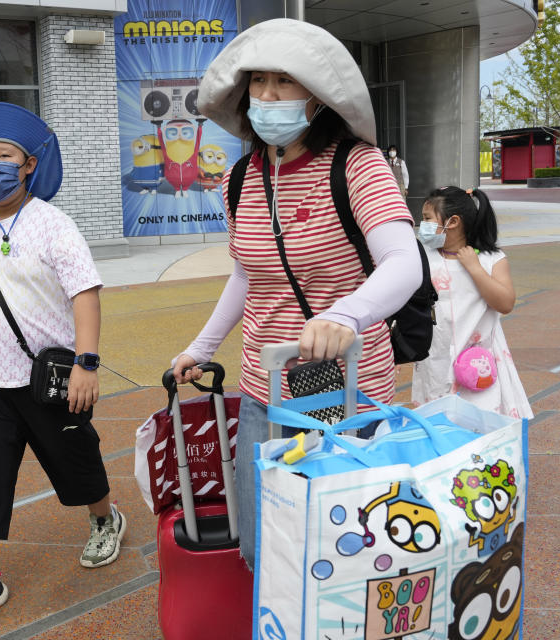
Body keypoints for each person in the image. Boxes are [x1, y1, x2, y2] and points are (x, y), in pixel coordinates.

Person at [169, 19, 422, 569]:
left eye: (284, 81)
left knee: (347, 544)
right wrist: (202, 347)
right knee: (264, 546)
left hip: (348, 389)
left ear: (319, 97)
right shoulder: (242, 177)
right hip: (266, 386)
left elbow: (405, 263)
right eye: (257, 81)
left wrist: (348, 315)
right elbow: (245, 275)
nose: (266, 95)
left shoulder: (357, 165)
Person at [0, 102, 125, 631]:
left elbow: (86, 294)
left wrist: (86, 363)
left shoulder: (53, 225)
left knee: (73, 459)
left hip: (50, 379)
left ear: (29, 164)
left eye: (4, 155)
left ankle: (105, 518)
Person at [411, 186, 533, 419]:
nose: (422, 225)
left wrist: (475, 269)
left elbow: (505, 303)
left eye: (427, 219)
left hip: (479, 364)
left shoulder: (490, 260)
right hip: (435, 362)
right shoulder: (423, 256)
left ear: (453, 221)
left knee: (479, 424)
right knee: (437, 425)